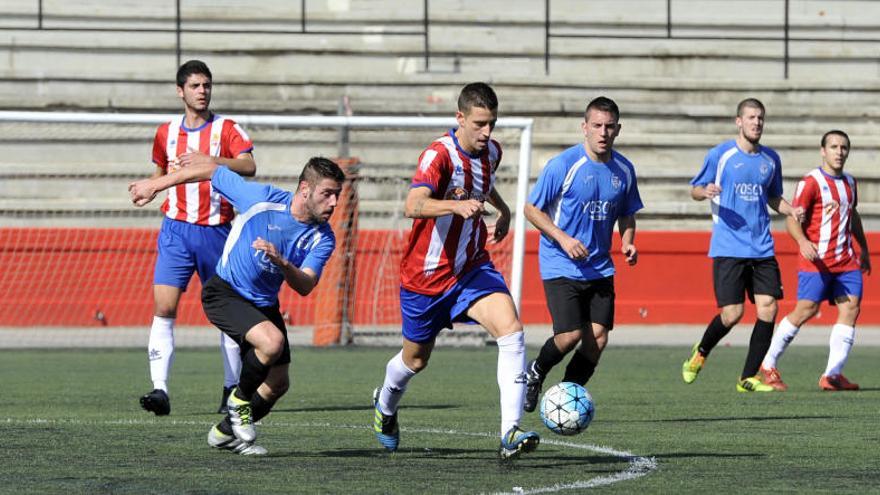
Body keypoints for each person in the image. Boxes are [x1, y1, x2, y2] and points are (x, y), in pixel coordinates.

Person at [129, 156, 345, 455]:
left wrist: (282, 263)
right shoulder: (262, 199)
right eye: (328, 193)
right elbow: (211, 171)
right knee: (272, 343)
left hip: (263, 303)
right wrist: (156, 184)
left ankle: (225, 433)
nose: (334, 202)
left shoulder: (323, 237)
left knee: (278, 384)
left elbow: (305, 285)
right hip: (225, 293)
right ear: (305, 189)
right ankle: (238, 400)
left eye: (337, 195)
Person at [371, 82, 540, 460]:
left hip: (471, 267)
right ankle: (384, 405)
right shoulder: (437, 156)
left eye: (492, 124)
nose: (487, 133)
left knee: (511, 330)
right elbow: (413, 205)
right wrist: (453, 207)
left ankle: (509, 432)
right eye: (480, 124)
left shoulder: (491, 151)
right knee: (415, 360)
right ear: (459, 118)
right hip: (426, 278)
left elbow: (484, 185)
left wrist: (504, 210)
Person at [138, 60, 256, 416]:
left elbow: (249, 166)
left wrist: (213, 160)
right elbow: (161, 170)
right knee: (164, 306)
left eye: (206, 85)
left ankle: (230, 388)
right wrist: (151, 190)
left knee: (226, 313)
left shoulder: (227, 129)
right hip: (176, 229)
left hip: (218, 231)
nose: (202, 91)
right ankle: (160, 390)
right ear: (180, 91)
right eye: (194, 86)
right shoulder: (166, 132)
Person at [521, 96, 642, 413]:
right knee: (570, 334)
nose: (603, 132)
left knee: (597, 340)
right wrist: (562, 238)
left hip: (600, 267)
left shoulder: (624, 170)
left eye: (609, 126)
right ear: (584, 127)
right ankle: (536, 371)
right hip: (561, 263)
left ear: (618, 129)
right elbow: (531, 209)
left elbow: (627, 213)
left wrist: (628, 240)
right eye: (597, 125)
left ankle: (563, 398)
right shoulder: (563, 165)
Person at [682, 98, 804, 392]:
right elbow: (695, 190)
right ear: (739, 121)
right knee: (732, 314)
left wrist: (790, 210)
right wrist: (705, 191)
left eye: (760, 118)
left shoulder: (770, 159)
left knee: (768, 308)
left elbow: (773, 197)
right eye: (751, 117)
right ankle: (701, 352)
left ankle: (747, 377)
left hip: (761, 246)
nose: (756, 123)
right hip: (728, 247)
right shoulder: (721, 155)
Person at [761, 130, 871, 391]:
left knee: (850, 309)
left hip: (846, 261)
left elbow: (852, 215)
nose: (839, 152)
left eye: (844, 147)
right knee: (805, 310)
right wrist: (802, 242)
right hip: (817, 261)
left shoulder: (850, 183)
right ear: (823, 151)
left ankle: (832, 374)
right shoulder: (811, 182)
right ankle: (768, 363)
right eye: (833, 146)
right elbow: (791, 217)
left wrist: (863, 248)